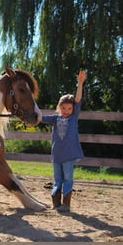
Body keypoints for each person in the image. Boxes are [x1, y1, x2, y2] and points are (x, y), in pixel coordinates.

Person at [40, 69, 87, 212]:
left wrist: (80, 83)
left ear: (73, 109)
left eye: (69, 108)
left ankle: (66, 204)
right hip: (57, 155)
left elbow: (78, 99)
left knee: (68, 178)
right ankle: (56, 203)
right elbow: (39, 118)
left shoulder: (73, 117)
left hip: (69, 155)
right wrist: (28, 117)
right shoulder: (55, 118)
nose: (66, 110)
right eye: (64, 108)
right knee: (57, 179)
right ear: (59, 107)